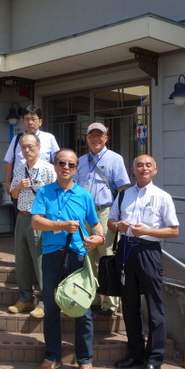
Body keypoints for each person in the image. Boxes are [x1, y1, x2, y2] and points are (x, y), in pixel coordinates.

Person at [31, 149, 106, 369]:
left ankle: (85, 359)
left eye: (71, 164)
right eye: (62, 163)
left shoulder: (84, 195)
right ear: (55, 166)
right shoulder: (44, 192)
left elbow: (96, 224)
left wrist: (99, 238)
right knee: (51, 308)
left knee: (82, 308)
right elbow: (36, 222)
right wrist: (62, 225)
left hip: (78, 256)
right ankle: (53, 357)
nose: (66, 167)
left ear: (76, 169)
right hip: (52, 255)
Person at [108, 155, 179, 369]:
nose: (144, 168)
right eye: (139, 165)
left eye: (148, 165)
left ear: (155, 170)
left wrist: (148, 231)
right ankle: (135, 354)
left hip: (148, 251)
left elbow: (173, 230)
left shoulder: (163, 196)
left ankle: (154, 359)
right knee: (129, 306)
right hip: (125, 250)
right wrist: (117, 226)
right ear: (133, 170)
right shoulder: (123, 195)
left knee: (154, 306)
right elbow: (111, 221)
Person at [75, 122, 131, 316]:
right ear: (87, 138)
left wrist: (119, 215)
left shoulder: (115, 159)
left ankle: (110, 302)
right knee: (87, 256)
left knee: (107, 256)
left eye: (100, 135)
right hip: (84, 214)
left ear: (106, 138)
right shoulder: (80, 161)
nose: (95, 139)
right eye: (92, 135)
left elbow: (122, 189)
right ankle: (91, 298)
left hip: (105, 211)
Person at [7, 133, 56, 319]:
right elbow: (13, 194)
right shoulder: (20, 169)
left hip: (39, 218)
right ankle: (25, 298)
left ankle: (44, 301)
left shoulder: (48, 169)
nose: (27, 150)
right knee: (22, 260)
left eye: (30, 146)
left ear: (38, 147)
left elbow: (56, 195)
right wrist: (19, 186)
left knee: (40, 261)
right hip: (22, 216)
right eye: (23, 147)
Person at [4, 105, 59, 197]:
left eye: (33, 119)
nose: (30, 122)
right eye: (27, 119)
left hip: (43, 186)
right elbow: (9, 161)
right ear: (23, 122)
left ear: (40, 122)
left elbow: (58, 161)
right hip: (20, 185)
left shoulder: (49, 138)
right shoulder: (16, 139)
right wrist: (8, 182)